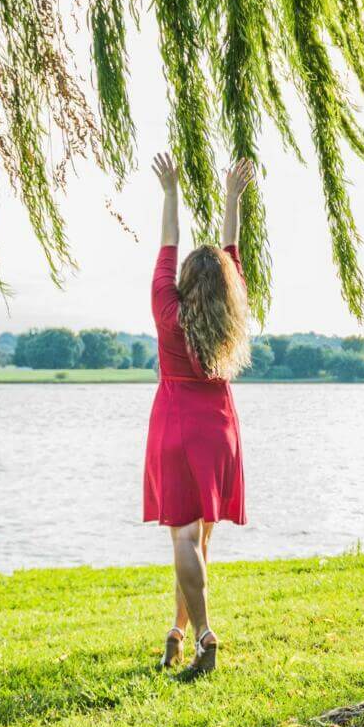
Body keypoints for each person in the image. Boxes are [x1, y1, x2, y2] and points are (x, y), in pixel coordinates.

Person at [144, 151, 255, 675]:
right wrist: (232, 198)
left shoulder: (169, 314)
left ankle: (206, 636)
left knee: (184, 538)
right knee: (199, 538)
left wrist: (171, 194)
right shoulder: (230, 319)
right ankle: (176, 634)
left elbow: (168, 248)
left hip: (177, 429)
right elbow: (231, 255)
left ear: (187, 280)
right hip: (220, 432)